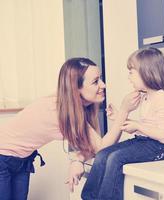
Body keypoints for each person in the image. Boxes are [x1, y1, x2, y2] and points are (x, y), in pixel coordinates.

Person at [0, 57, 140, 200]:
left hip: (22, 160)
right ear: (76, 88)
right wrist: (124, 111)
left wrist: (78, 160)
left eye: (101, 79)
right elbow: (100, 147)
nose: (103, 85)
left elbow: (93, 147)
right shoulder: (59, 110)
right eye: (95, 82)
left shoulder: (78, 108)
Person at [81, 47, 164, 200]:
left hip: (160, 147)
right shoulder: (146, 97)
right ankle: (88, 197)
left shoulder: (162, 97)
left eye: (131, 72)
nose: (129, 77)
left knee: (115, 158)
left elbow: (162, 134)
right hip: (144, 142)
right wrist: (119, 117)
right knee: (103, 154)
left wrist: (137, 125)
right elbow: (146, 128)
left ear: (146, 72)